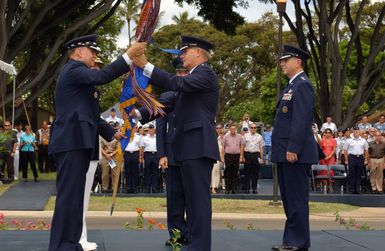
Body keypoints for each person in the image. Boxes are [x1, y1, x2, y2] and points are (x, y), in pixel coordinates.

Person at [48, 34, 144, 251]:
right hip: (71, 142)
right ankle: (61, 246)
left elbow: (92, 115)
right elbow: (104, 76)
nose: (95, 57)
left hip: (79, 142)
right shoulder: (73, 70)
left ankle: (70, 244)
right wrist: (128, 56)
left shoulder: (81, 79)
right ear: (79, 51)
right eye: (93, 52)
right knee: (68, 198)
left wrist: (113, 134)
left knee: (75, 199)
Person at [132, 35, 219, 251]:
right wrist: (135, 114)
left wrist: (146, 66)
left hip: (197, 148)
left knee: (198, 203)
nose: (181, 55)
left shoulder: (204, 74)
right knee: (186, 199)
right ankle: (187, 241)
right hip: (186, 149)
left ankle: (199, 247)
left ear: (198, 52)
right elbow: (165, 104)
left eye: (184, 51)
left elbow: (175, 82)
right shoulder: (190, 79)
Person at [271, 45, 318, 251]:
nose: (282, 63)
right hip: (285, 152)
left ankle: (298, 242)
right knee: (290, 200)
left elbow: (300, 120)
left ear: (297, 61)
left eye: (286, 60)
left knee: (296, 199)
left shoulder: (302, 85)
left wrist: (293, 148)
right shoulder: (291, 86)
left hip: (293, 153)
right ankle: (292, 240)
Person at [343, 126, 369, 194]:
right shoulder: (349, 140)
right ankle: (352, 189)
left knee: (359, 174)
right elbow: (345, 150)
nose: (356, 132)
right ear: (353, 132)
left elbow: (366, 150)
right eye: (354, 131)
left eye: (357, 131)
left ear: (359, 132)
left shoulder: (363, 140)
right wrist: (346, 160)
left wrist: (366, 159)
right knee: (352, 174)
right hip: (352, 157)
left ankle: (357, 189)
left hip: (360, 158)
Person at [221, 124, 244, 194]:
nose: (233, 130)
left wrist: (241, 157)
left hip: (236, 156)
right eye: (231, 129)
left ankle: (234, 189)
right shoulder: (226, 137)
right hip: (228, 156)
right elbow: (223, 147)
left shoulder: (240, 136)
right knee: (227, 172)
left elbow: (242, 147)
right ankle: (227, 188)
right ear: (229, 130)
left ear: (236, 129)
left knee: (235, 173)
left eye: (234, 129)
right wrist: (222, 157)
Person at [243, 122, 264, 194]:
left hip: (256, 155)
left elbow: (261, 148)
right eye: (252, 127)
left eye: (255, 128)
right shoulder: (245, 136)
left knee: (255, 173)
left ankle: (254, 188)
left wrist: (261, 158)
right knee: (247, 172)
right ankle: (247, 188)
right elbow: (242, 146)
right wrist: (242, 156)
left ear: (256, 129)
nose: (253, 129)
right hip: (248, 154)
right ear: (250, 128)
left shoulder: (260, 137)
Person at [141, 123, 160, 193]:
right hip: (147, 155)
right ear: (148, 130)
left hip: (155, 155)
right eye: (150, 129)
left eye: (152, 129)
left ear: (154, 130)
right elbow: (142, 149)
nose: (151, 131)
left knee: (155, 172)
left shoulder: (157, 138)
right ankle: (147, 188)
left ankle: (155, 188)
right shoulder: (144, 138)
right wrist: (142, 158)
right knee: (147, 172)